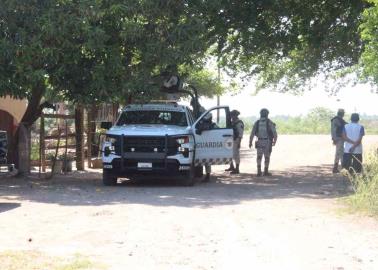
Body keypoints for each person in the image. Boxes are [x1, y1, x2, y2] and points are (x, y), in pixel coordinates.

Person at [249, 108, 277, 176]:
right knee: (267, 156)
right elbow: (274, 133)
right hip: (267, 141)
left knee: (259, 156)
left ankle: (259, 171)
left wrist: (250, 142)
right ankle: (265, 171)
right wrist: (274, 141)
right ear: (267, 114)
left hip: (259, 141)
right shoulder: (269, 122)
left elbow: (252, 133)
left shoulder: (257, 122)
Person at [225, 110, 244, 174]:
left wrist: (239, 143)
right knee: (230, 153)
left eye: (233, 115)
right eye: (231, 115)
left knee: (236, 154)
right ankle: (232, 166)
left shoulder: (239, 123)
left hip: (236, 140)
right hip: (231, 140)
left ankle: (237, 169)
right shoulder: (232, 122)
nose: (231, 116)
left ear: (236, 115)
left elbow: (240, 134)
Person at [202, 112, 218, 181]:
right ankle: (206, 174)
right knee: (205, 160)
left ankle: (208, 175)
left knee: (207, 161)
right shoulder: (203, 125)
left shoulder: (214, 126)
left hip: (211, 145)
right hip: (204, 144)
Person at [331, 109, 347, 173]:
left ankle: (336, 167)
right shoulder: (337, 120)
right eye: (343, 113)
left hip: (338, 138)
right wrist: (334, 139)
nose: (343, 114)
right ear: (341, 113)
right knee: (341, 152)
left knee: (338, 152)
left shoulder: (338, 119)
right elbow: (334, 130)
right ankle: (342, 167)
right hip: (339, 138)